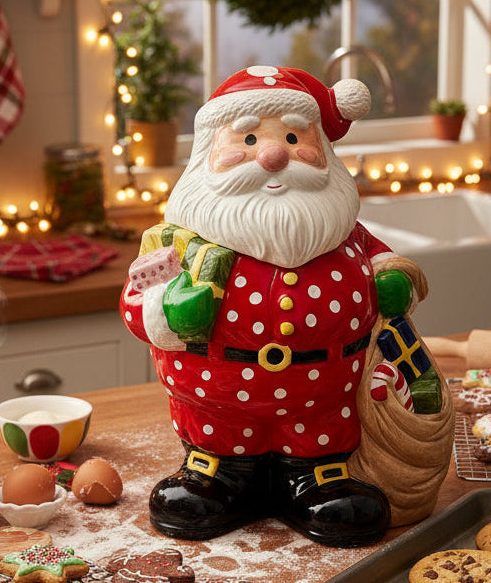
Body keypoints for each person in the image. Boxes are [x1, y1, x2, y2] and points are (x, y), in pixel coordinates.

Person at [120, 64, 421, 547]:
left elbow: (387, 260)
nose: (275, 154)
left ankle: (316, 477)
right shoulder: (178, 241)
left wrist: (391, 278)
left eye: (293, 136)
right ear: (207, 154)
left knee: (321, 447)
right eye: (249, 139)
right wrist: (165, 310)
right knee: (218, 449)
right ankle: (217, 475)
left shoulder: (343, 231)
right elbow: (136, 300)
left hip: (324, 402)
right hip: (216, 406)